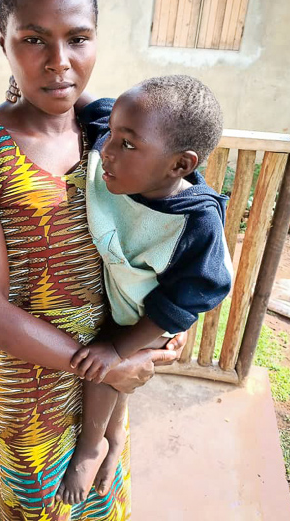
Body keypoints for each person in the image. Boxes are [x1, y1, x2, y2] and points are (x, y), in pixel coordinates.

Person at [0, 0, 185, 521]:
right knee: (40, 508)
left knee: (101, 498)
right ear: (2, 38)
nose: (59, 62)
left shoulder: (115, 132)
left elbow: (172, 229)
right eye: (33, 39)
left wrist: (164, 326)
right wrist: (104, 366)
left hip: (108, 375)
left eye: (78, 38)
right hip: (34, 387)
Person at [56, 75, 234, 505]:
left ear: (179, 166)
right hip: (124, 294)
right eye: (113, 134)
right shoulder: (112, 145)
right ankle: (114, 440)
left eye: (128, 144)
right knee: (115, 381)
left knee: (105, 370)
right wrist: (41, 79)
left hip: (155, 312)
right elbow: (88, 102)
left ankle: (91, 446)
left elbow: (198, 291)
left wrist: (120, 350)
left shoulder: (195, 222)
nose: (108, 151)